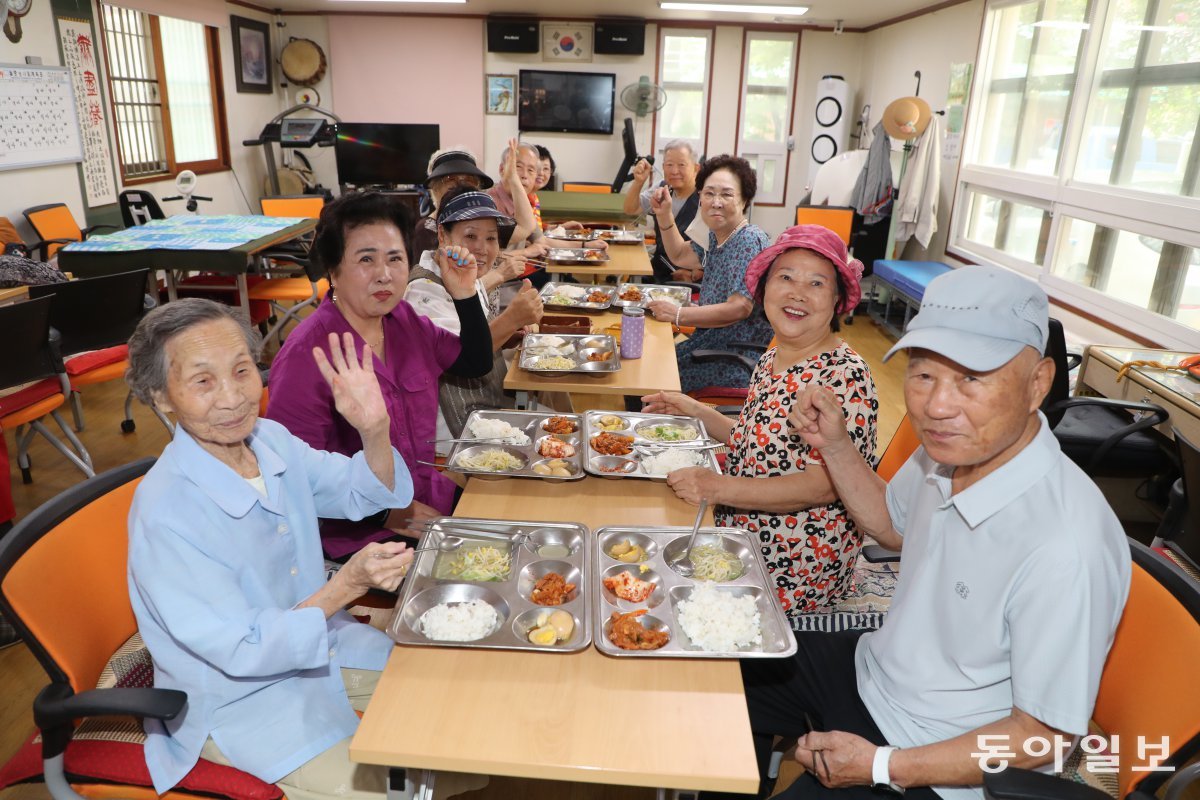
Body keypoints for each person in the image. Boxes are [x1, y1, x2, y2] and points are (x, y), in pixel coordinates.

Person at [709, 265, 1131, 800]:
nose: (936, 406)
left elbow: (1043, 737)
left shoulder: (1066, 544)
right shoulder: (948, 453)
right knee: (706, 676)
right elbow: (889, 526)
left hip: (934, 753)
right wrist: (836, 445)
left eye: (971, 379)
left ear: (1038, 384)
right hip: (874, 669)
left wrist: (884, 765)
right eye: (924, 373)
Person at [125, 298, 415, 798]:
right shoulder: (166, 512)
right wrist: (347, 585)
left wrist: (374, 427)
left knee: (450, 711)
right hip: (240, 700)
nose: (233, 397)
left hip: (323, 647)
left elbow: (361, 491)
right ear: (161, 398)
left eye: (241, 370)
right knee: (402, 788)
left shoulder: (270, 441)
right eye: (202, 381)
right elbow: (242, 648)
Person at [642, 226, 877, 619]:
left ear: (837, 301)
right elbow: (755, 443)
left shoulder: (845, 375)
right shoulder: (774, 357)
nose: (797, 293)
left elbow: (823, 486)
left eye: (816, 283)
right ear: (765, 289)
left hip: (793, 559)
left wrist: (717, 487)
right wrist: (695, 410)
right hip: (738, 527)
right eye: (785, 277)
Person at [267, 192, 493, 559]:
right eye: (366, 259)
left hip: (423, 494)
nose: (384, 274)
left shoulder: (404, 320)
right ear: (332, 269)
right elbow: (288, 475)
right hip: (355, 531)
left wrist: (465, 292)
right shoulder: (306, 355)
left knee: (511, 520)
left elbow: (475, 362)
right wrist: (386, 512)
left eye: (394, 259)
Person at [406, 186, 544, 441]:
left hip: (486, 407)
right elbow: (462, 359)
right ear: (442, 235)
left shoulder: (465, 273)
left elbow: (475, 338)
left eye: (491, 238)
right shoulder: (423, 292)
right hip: (452, 430)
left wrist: (510, 335)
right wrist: (511, 318)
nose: (482, 248)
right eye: (471, 236)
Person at [645, 154, 771, 394]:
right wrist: (664, 214)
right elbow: (680, 255)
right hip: (710, 344)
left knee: (649, 376)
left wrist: (679, 313)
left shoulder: (748, 240)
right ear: (700, 197)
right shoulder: (719, 236)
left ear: (744, 200)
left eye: (726, 194)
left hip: (733, 356)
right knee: (648, 362)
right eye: (709, 193)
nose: (716, 201)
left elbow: (739, 308)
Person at [621, 139, 702, 282]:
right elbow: (630, 209)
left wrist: (697, 273)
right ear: (663, 167)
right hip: (659, 270)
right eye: (669, 165)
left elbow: (718, 246)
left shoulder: (706, 197)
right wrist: (639, 182)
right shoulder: (662, 188)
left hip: (690, 279)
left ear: (696, 168)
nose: (674, 171)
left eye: (681, 165)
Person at [410, 148, 494, 257]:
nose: (461, 184)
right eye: (450, 178)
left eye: (469, 178)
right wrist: (498, 274)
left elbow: (522, 229)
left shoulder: (482, 221)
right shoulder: (425, 230)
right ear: (435, 188)